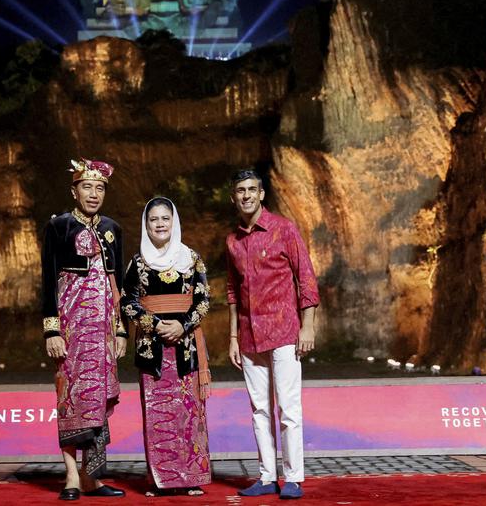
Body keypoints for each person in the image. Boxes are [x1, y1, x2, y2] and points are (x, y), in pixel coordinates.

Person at [225, 169, 319, 500]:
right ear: (234, 197)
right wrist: (234, 336)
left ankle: (292, 477)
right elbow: (233, 290)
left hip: (283, 331)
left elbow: (305, 277)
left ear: (262, 194)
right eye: (241, 191)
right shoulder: (232, 241)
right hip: (250, 335)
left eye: (252, 189)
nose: (247, 195)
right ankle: (267, 476)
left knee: (288, 408)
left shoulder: (283, 229)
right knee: (259, 409)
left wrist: (307, 326)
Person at [41, 159, 127, 501]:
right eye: (87, 187)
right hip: (71, 329)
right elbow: (48, 280)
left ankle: (94, 477)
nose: (94, 194)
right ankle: (72, 477)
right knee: (70, 399)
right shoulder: (59, 227)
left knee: (99, 399)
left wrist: (121, 331)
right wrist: (52, 331)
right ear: (74, 191)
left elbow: (117, 284)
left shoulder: (112, 229)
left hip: (103, 331)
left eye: (100, 188)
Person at [121, 197, 212, 497]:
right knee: (158, 413)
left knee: (189, 412)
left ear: (174, 222)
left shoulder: (191, 259)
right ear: (146, 225)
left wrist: (181, 325)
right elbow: (127, 302)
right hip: (152, 347)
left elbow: (203, 301)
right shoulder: (138, 262)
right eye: (153, 220)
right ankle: (160, 480)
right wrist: (156, 324)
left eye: (165, 219)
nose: (160, 224)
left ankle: (190, 478)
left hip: (186, 346)